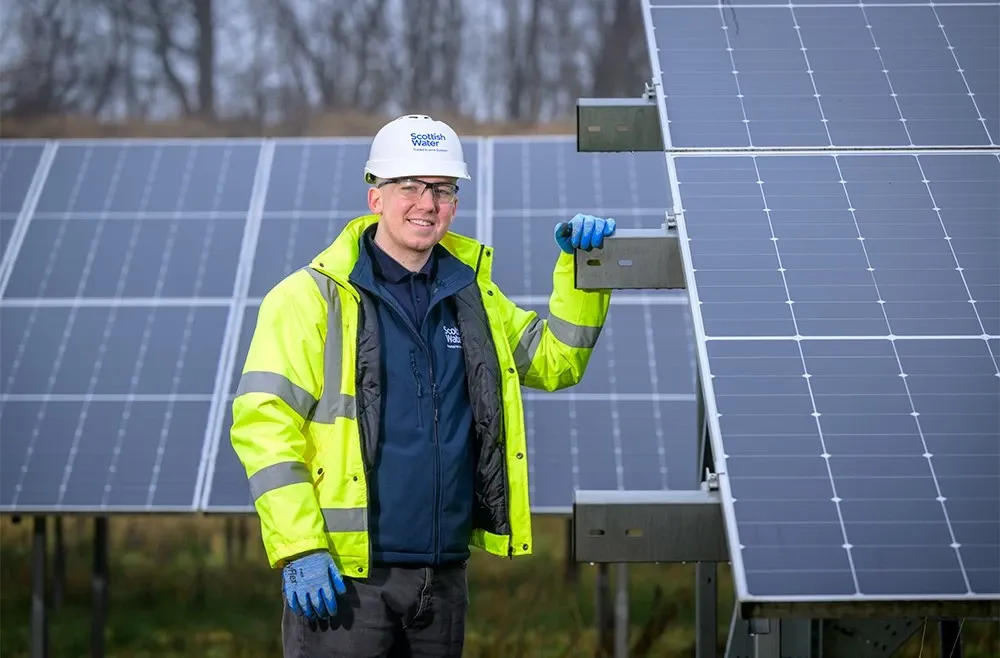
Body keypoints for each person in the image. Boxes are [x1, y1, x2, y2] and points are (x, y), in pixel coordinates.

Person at [230, 114, 617, 658]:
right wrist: (300, 549)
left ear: (455, 203)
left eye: (440, 189)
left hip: (442, 580)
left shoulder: (473, 296)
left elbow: (556, 360)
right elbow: (264, 427)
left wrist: (583, 268)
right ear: (376, 198)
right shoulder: (309, 299)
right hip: (344, 579)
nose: (426, 203)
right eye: (408, 186)